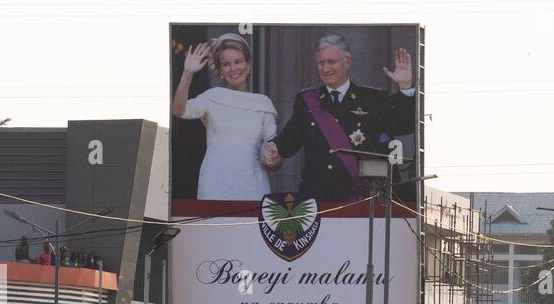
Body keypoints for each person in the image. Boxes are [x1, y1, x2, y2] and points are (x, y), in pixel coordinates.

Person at [262, 35, 416, 202]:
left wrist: (405, 86)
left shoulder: (373, 99)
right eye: (321, 63)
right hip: (317, 199)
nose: (326, 69)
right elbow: (289, 141)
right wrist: (273, 149)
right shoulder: (307, 100)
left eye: (331, 62)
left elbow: (404, 125)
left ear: (347, 61)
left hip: (359, 199)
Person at [173, 33, 279, 201]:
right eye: (226, 64)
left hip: (253, 187)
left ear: (248, 65)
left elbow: (274, 152)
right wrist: (187, 73)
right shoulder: (212, 97)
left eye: (238, 61)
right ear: (221, 70)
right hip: (215, 186)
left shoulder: (263, 103)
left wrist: (272, 158)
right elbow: (179, 110)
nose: (233, 69)